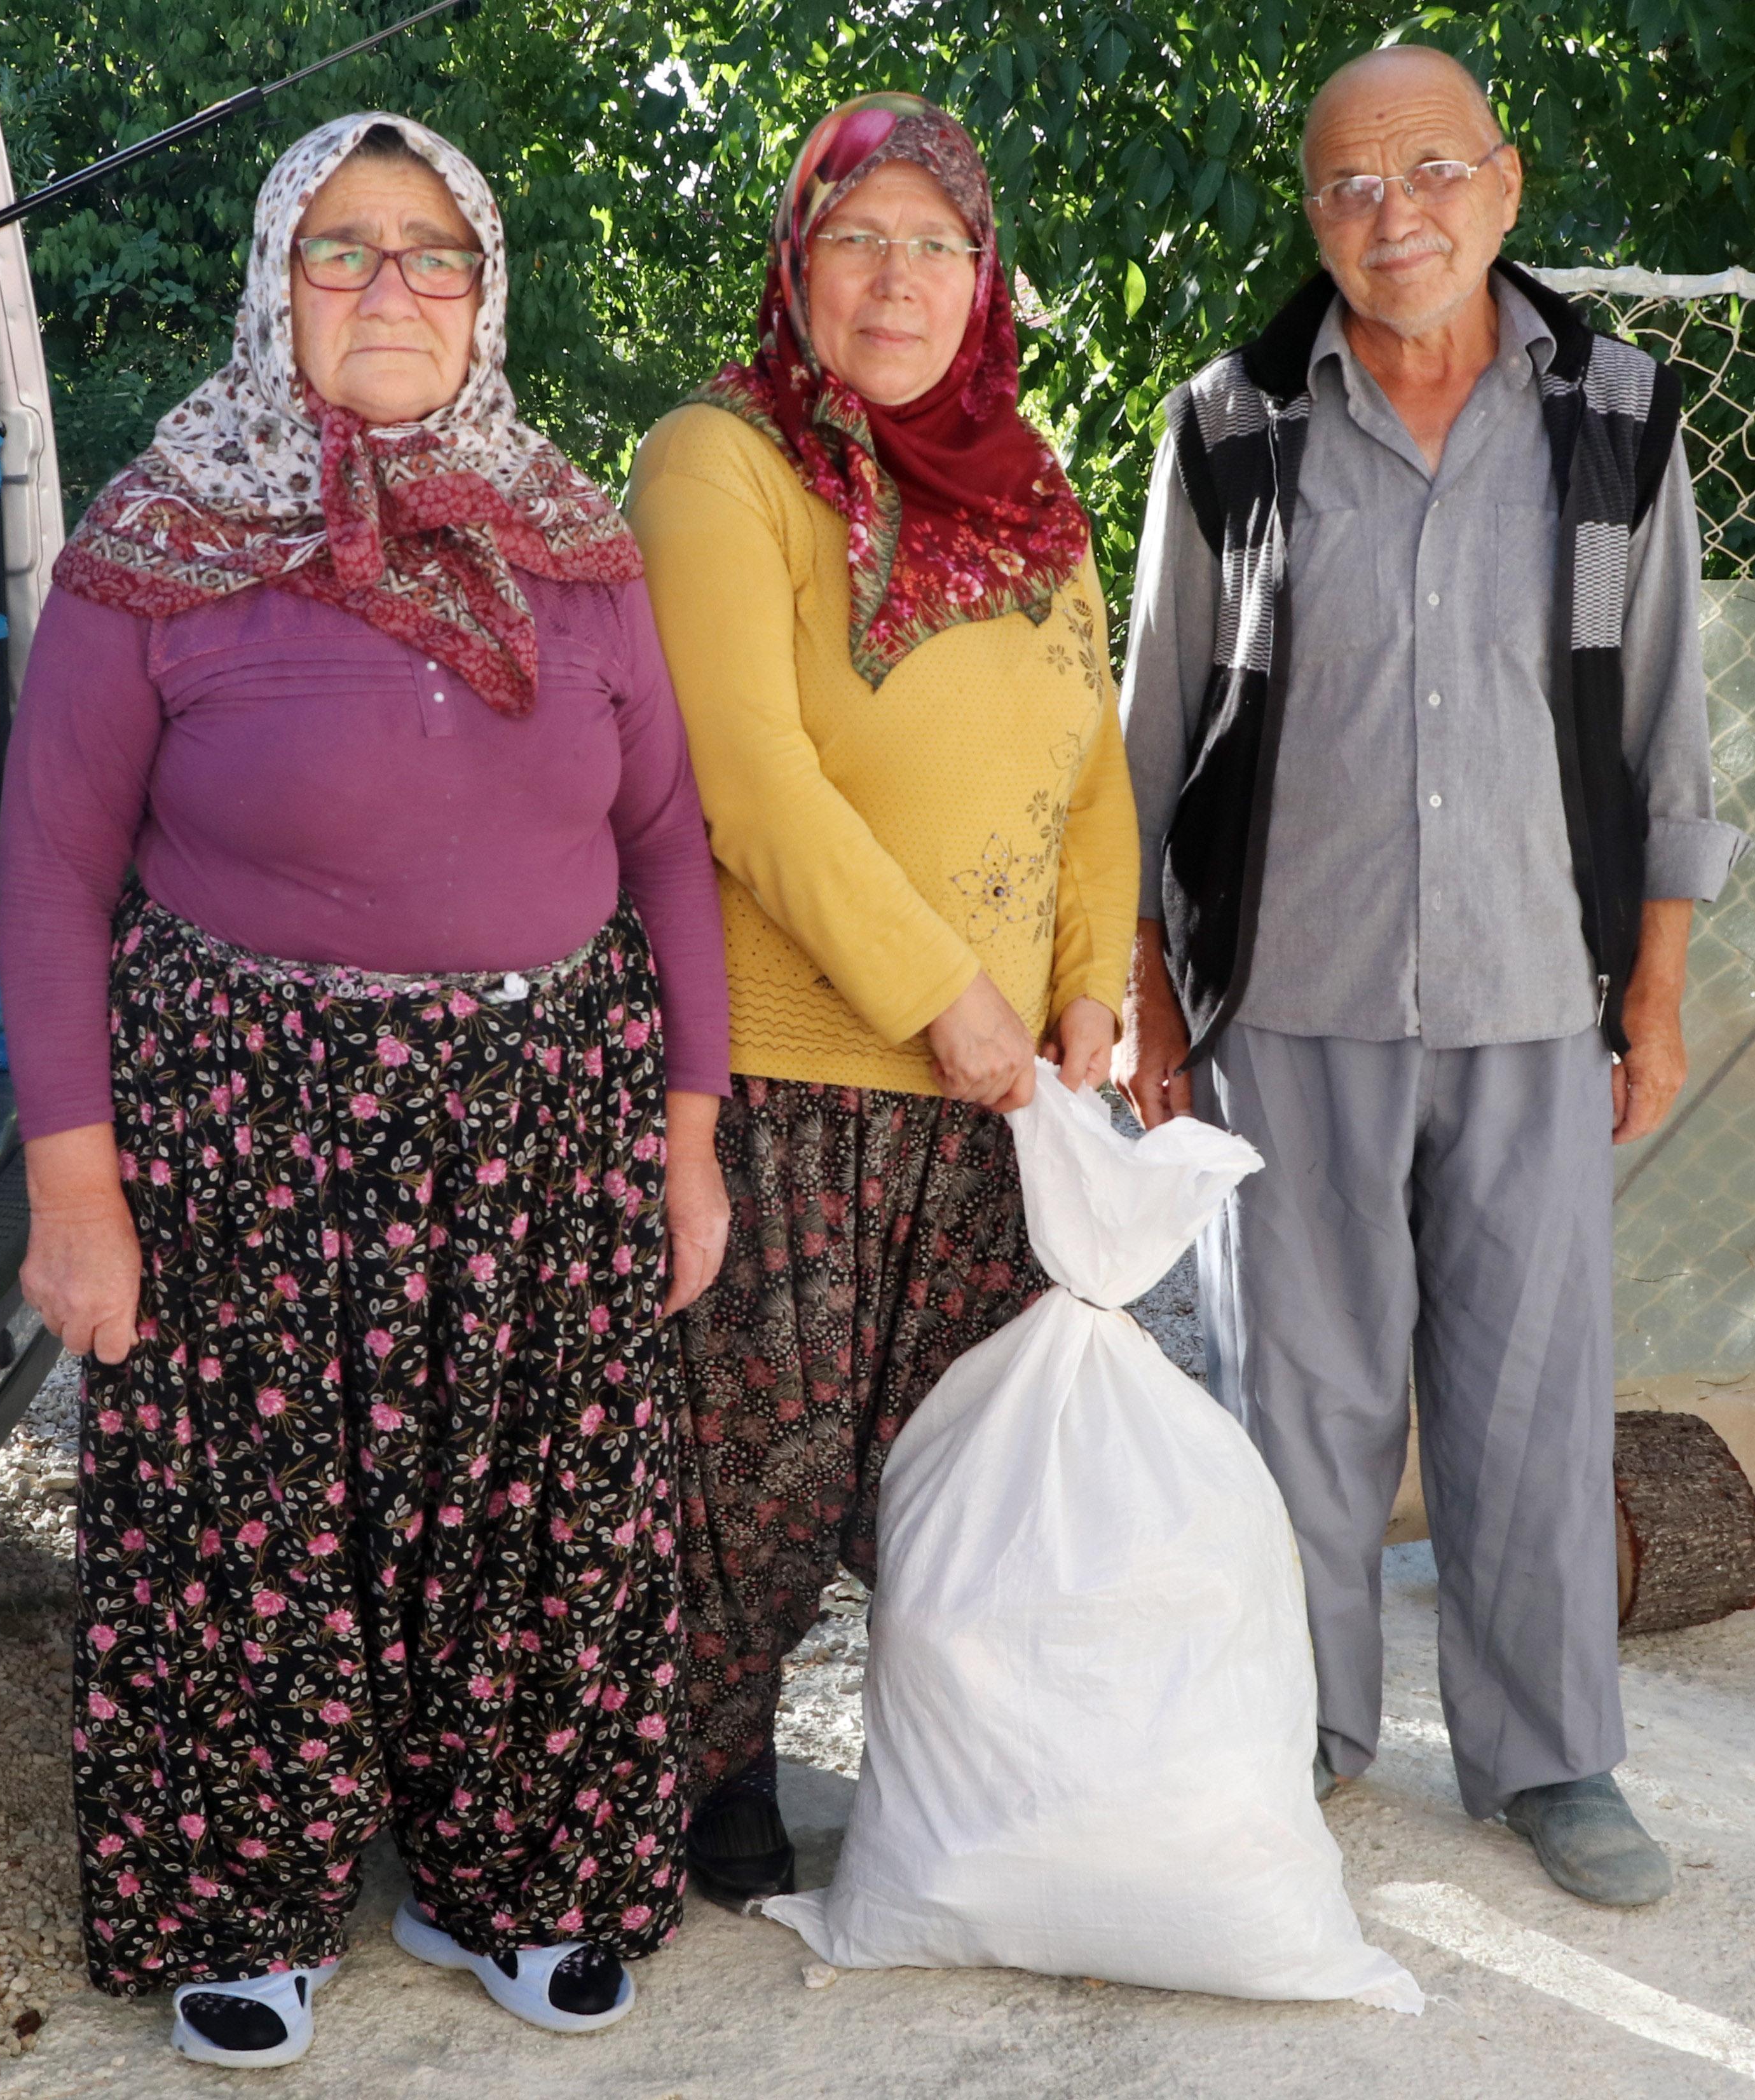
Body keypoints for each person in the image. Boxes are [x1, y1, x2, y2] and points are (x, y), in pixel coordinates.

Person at [0, 112, 732, 2066]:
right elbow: (54, 875)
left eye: (430, 253)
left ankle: (530, 1878)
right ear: (276, 282)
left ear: (484, 294)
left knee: (542, 1503)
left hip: (545, 1110)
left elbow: (666, 843)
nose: (387, 288)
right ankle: (247, 1900)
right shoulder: (155, 549)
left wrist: (687, 1134)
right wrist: (78, 1197)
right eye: (342, 250)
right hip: (241, 1110)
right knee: (244, 1521)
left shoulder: (572, 546)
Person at [1115, 45, 1746, 1907]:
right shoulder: (1230, 426)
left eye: (1428, 172)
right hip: (1287, 997)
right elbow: (1147, 730)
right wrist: (1149, 989)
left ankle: (1549, 1761)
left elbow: (1663, 722)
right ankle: (1296, 1739)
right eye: (1347, 186)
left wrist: (1654, 992)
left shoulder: (1614, 418)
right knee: (1294, 1395)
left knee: (1530, 1393)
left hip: (1533, 990)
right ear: (1311, 217)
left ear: (1505, 181)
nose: (1393, 216)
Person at [627, 91, 1139, 1901]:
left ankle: (966, 1787)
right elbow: (745, 782)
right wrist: (941, 991)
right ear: (796, 261)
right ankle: (708, 1781)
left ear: (982, 274)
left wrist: (1090, 994)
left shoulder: (1030, 492)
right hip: (793, 1070)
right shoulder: (720, 462)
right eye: (858, 237)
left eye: (936, 242)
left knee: (971, 1490)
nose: (897, 276)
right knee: (748, 1481)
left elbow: (1093, 773)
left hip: (1002, 1098)